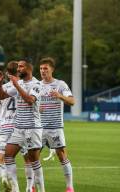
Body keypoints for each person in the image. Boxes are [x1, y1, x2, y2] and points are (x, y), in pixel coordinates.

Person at [0, 60, 45, 192]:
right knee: (8, 155)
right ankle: (16, 189)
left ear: (28, 69)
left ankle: (40, 189)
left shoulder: (37, 84)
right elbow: (1, 96)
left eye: (21, 67)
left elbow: (30, 100)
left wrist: (16, 85)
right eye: (17, 67)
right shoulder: (20, 83)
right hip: (18, 127)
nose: (18, 69)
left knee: (34, 161)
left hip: (32, 127)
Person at [39, 57, 75, 192]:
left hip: (55, 127)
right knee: (33, 157)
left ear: (52, 69)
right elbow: (31, 103)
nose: (43, 71)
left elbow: (72, 101)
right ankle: (32, 186)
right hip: (39, 128)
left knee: (61, 156)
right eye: (41, 68)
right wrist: (37, 108)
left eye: (45, 68)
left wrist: (60, 96)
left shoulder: (61, 84)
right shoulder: (37, 85)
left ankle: (69, 187)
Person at [0, 61, 18, 192]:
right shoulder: (23, 86)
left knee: (0, 157)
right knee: (25, 158)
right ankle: (29, 187)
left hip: (5, 125)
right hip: (19, 126)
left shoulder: (3, 87)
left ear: (7, 73)